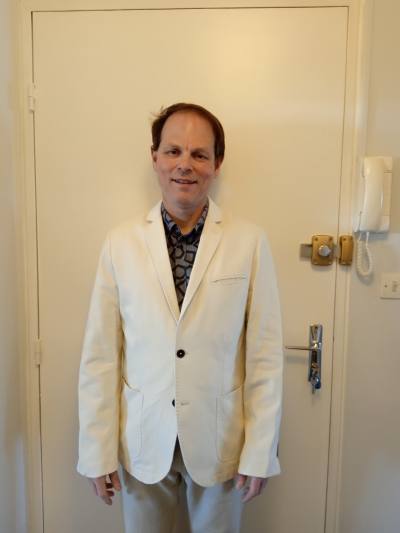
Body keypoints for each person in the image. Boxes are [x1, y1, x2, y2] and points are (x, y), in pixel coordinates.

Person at [77, 102, 283, 533]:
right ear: (154, 157)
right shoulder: (120, 244)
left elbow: (264, 355)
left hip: (220, 440)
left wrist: (260, 450)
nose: (184, 164)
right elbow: (101, 356)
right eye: (173, 151)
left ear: (217, 164)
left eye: (199, 154)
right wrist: (96, 450)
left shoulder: (249, 242)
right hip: (142, 440)